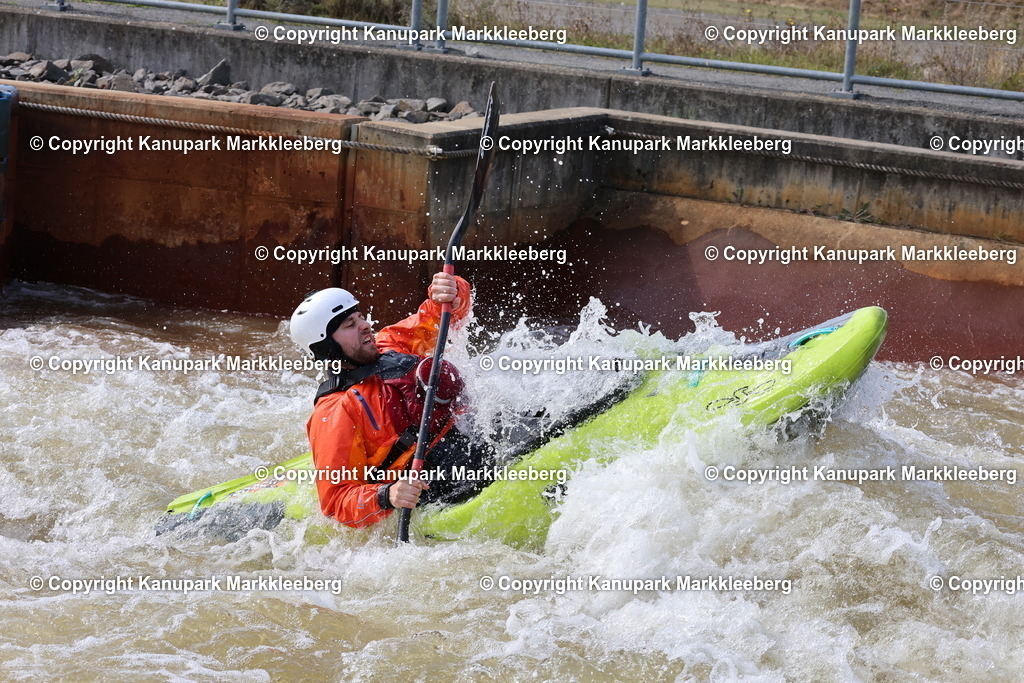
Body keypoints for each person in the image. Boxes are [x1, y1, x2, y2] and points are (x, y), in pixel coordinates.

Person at [289, 271, 487, 528]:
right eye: (350, 324)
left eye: (360, 317)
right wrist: (386, 495)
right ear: (328, 348)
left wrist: (451, 293)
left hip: (472, 432)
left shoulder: (390, 345)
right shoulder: (336, 412)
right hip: (434, 481)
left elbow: (439, 316)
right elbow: (336, 501)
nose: (365, 325)